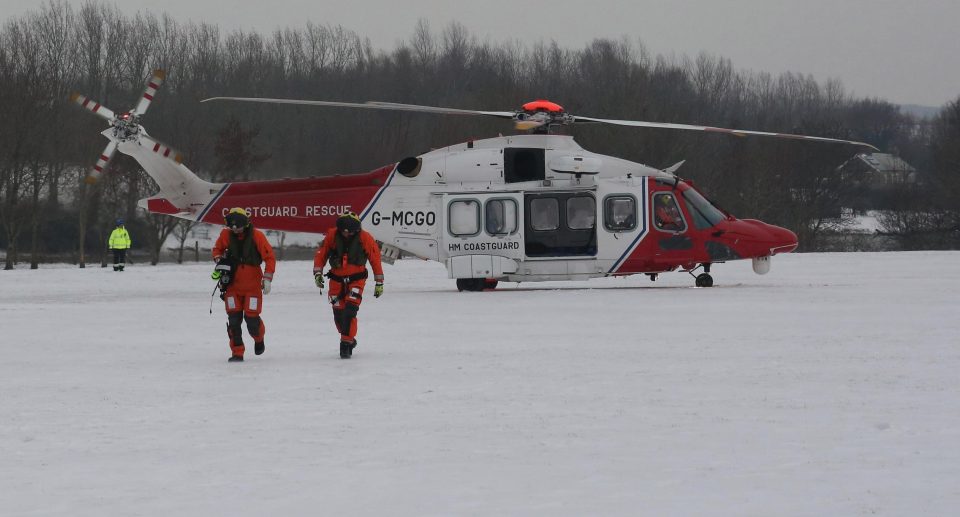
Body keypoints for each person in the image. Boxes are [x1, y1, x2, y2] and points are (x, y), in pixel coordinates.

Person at [313, 212, 384, 359]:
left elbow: (375, 259)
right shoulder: (332, 235)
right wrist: (317, 273)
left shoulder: (365, 238)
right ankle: (350, 338)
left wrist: (379, 282)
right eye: (343, 230)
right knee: (338, 315)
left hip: (356, 281)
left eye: (349, 231)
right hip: (336, 281)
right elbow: (321, 254)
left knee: (350, 312)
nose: (346, 233)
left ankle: (345, 345)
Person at [211, 208, 276, 363]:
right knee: (234, 321)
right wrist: (220, 261)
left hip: (252, 286)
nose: (235, 230)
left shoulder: (257, 236)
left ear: (245, 224)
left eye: (238, 227)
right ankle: (237, 352)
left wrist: (267, 279)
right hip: (232, 286)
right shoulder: (225, 235)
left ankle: (259, 338)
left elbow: (270, 258)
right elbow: (216, 250)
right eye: (232, 227)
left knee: (252, 319)